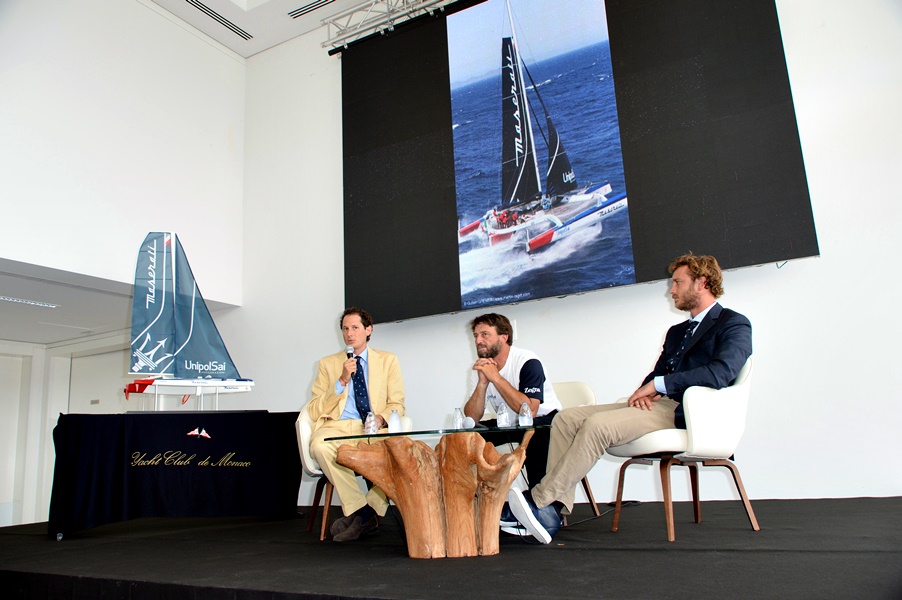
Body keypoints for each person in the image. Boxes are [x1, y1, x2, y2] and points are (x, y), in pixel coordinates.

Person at [508, 253, 752, 544]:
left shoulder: (733, 323)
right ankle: (555, 510)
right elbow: (657, 375)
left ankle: (539, 501)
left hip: (686, 411)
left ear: (701, 282)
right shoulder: (677, 332)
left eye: (677, 282)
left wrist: (658, 385)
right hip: (658, 404)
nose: (671, 290)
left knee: (598, 425)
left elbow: (721, 373)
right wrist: (643, 392)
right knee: (567, 417)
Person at [305, 307, 405, 542]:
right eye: (345, 329)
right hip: (338, 426)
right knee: (319, 446)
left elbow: (397, 403)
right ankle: (363, 512)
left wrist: (381, 418)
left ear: (368, 330)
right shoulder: (327, 364)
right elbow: (314, 408)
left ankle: (364, 514)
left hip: (371, 425)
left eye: (355, 328)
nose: (349, 334)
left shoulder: (388, 360)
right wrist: (341, 381)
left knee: (397, 453)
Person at [463, 313, 562, 495]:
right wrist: (482, 383)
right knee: (467, 437)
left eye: (485, 334)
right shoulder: (482, 367)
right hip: (509, 423)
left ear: (504, 337)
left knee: (534, 434)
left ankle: (539, 505)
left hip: (546, 421)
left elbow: (530, 411)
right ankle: (475, 503)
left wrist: (496, 377)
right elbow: (471, 417)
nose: (478, 340)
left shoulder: (527, 361)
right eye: (476, 336)